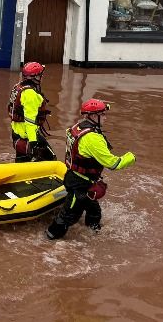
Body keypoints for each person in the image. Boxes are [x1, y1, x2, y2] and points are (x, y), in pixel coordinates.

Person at [45, 99, 135, 240]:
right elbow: (114, 164)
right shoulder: (92, 138)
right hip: (80, 183)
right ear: (93, 116)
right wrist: (131, 157)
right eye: (103, 114)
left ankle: (93, 236)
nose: (105, 117)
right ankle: (49, 240)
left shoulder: (78, 127)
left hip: (75, 177)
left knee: (94, 211)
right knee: (67, 216)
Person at [8, 61, 55, 163]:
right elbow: (30, 121)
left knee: (22, 160)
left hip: (16, 132)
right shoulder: (30, 94)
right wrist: (33, 143)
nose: (42, 77)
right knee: (51, 158)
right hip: (27, 135)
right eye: (41, 75)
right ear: (35, 77)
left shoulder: (18, 87)